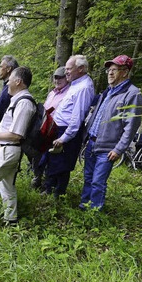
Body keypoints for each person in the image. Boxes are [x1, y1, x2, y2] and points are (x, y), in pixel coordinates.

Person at [79, 55, 142, 211]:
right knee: (88, 178)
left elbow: (131, 126)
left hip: (108, 148)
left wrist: (119, 148)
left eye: (114, 69)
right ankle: (84, 206)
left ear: (125, 72)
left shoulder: (133, 94)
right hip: (92, 143)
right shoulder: (108, 92)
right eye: (109, 69)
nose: (110, 73)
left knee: (98, 182)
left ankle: (94, 212)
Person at [0, 67, 35, 225]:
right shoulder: (18, 100)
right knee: (6, 186)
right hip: (6, 150)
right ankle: (11, 219)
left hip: (8, 151)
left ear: (18, 81)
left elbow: (17, 135)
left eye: (10, 79)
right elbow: (13, 127)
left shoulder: (24, 102)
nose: (7, 82)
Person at [44, 55, 95, 198]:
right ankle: (49, 191)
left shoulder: (84, 87)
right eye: (65, 69)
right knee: (53, 162)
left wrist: (64, 137)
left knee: (62, 165)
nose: (66, 72)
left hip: (66, 131)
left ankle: (57, 196)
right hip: (59, 128)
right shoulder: (76, 84)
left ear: (81, 69)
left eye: (68, 69)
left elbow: (77, 117)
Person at [29, 66, 70, 189]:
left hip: (58, 130)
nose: (57, 80)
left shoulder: (69, 93)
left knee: (56, 160)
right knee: (42, 157)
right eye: (55, 77)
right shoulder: (52, 93)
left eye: (60, 77)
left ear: (67, 78)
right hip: (45, 131)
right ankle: (43, 182)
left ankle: (53, 188)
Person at [0, 55, 19, 126]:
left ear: (8, 69)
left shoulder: (13, 88)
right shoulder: (6, 87)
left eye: (1, 67)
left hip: (7, 130)